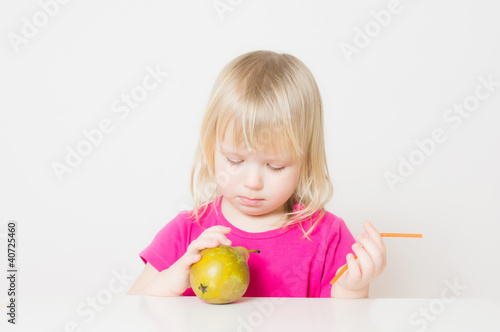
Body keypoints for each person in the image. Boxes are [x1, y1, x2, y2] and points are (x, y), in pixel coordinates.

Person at [127, 50, 386, 299]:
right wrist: (172, 280)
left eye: (275, 166)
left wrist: (353, 289)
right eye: (235, 160)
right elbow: (131, 312)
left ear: (305, 161)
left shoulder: (327, 237)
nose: (252, 183)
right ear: (211, 150)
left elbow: (340, 321)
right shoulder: (187, 232)